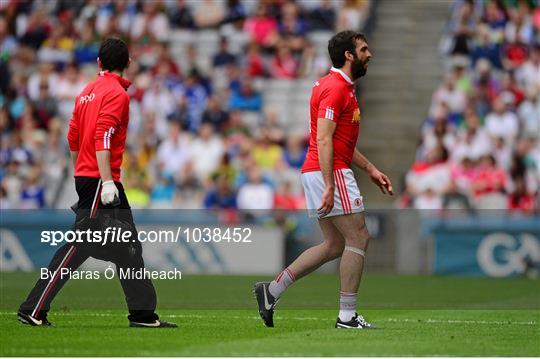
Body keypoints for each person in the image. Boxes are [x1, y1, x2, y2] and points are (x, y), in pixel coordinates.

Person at [17, 38, 176, 328]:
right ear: (128, 63)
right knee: (81, 244)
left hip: (92, 176)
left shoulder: (86, 92)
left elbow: (73, 137)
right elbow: (103, 136)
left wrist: (83, 172)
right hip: (102, 180)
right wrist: (104, 181)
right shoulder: (117, 94)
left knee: (129, 244)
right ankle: (33, 308)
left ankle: (143, 315)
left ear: (99, 63)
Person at [253, 31, 393, 329]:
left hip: (319, 170)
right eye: (364, 49)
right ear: (349, 55)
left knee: (333, 245)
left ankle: (272, 291)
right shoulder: (335, 88)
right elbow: (324, 139)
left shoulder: (338, 87)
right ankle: (347, 316)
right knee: (359, 238)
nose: (370, 54)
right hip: (329, 171)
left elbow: (339, 141)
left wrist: (370, 169)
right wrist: (330, 184)